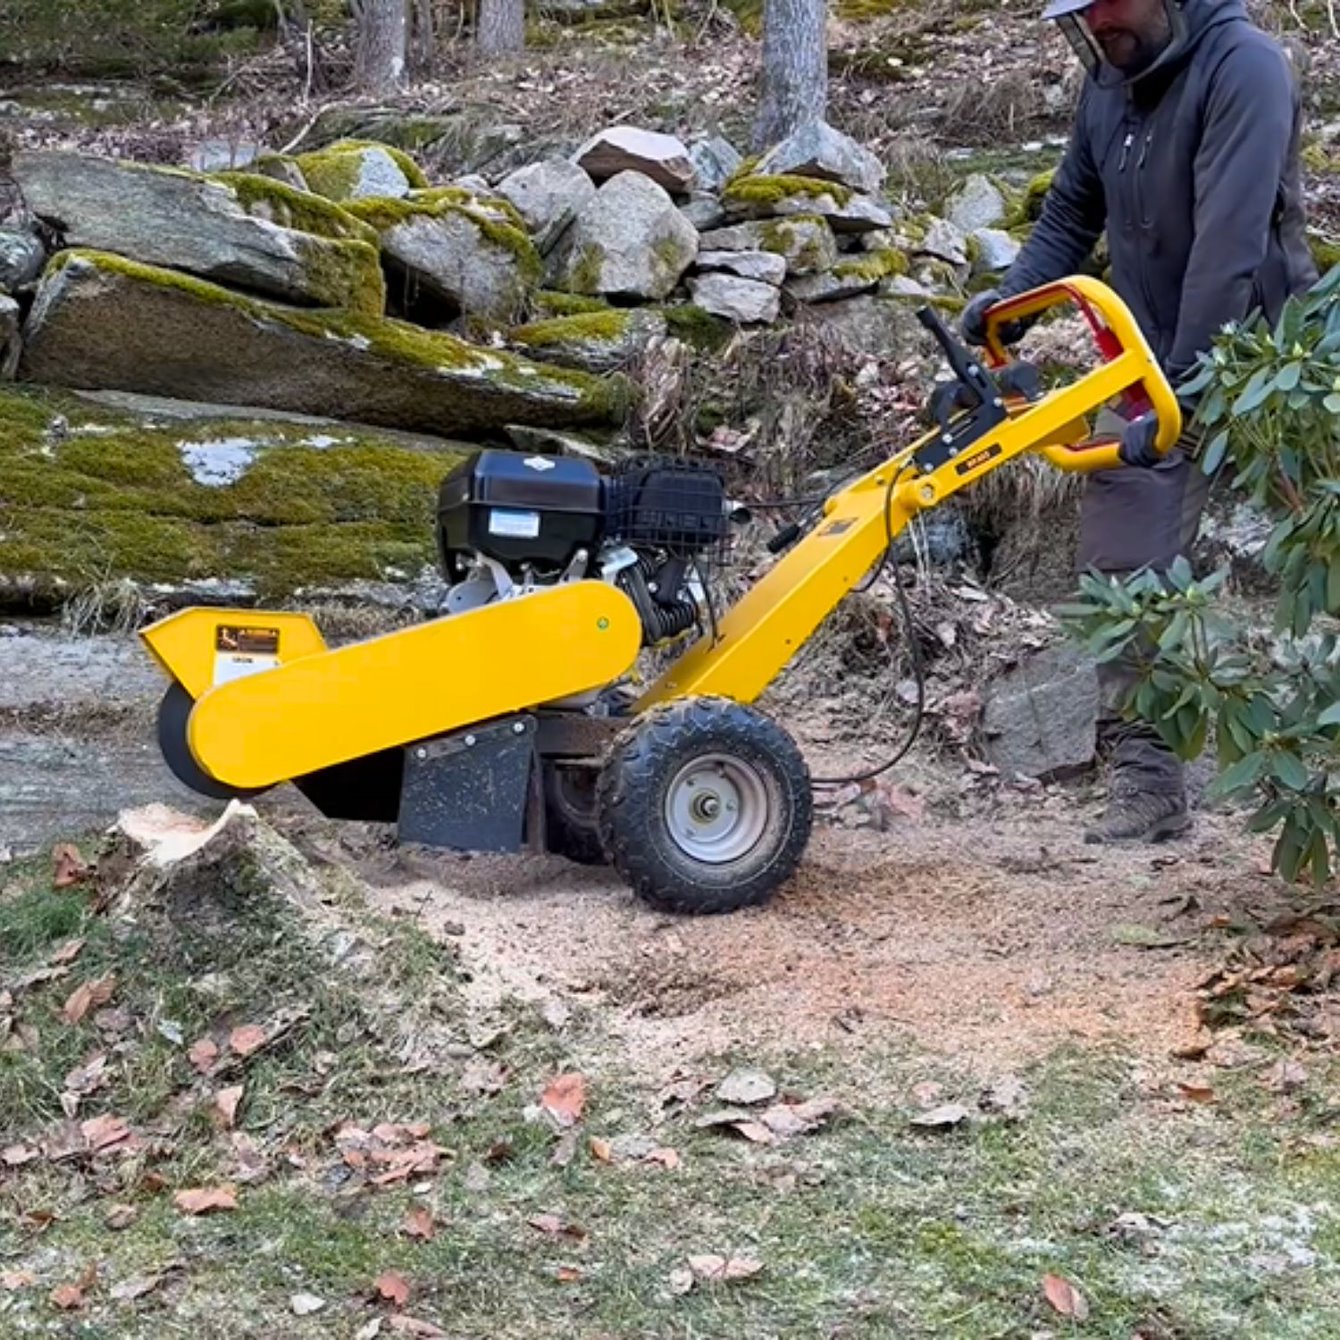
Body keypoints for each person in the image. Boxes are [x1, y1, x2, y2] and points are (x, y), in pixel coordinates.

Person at [960, 0, 1317, 844]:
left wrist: (1185, 395)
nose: (1093, 29)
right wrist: (1008, 302)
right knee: (1124, 567)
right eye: (1078, 16)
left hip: (1270, 365)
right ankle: (1149, 782)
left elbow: (1229, 249)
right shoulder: (1109, 83)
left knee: (1320, 545)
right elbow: (1069, 214)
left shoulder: (1245, 69)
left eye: (1105, 8)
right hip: (1151, 361)